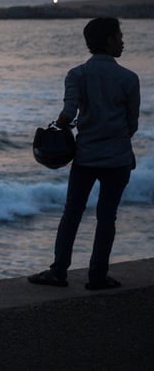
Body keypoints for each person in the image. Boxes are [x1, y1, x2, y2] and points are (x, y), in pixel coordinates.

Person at [28, 17, 140, 290]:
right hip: (118, 159)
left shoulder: (76, 74)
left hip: (86, 158)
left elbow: (68, 113)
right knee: (107, 217)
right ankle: (97, 276)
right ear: (109, 40)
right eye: (119, 36)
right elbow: (132, 125)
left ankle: (58, 272)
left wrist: (59, 127)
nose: (122, 41)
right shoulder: (129, 78)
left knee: (72, 213)